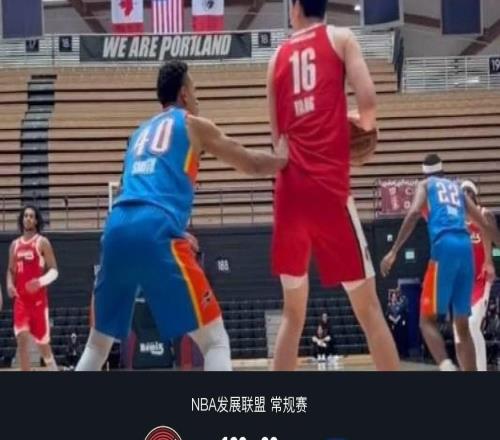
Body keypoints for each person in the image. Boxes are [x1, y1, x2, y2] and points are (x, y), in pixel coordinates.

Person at [76, 60, 288, 372]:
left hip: (117, 227)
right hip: (155, 230)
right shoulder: (192, 124)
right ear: (185, 94)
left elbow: (134, 188)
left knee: (97, 344)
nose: (197, 98)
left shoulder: (138, 134)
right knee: (215, 341)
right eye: (195, 90)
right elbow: (251, 163)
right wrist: (285, 160)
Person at [267, 0, 399, 371]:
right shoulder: (341, 38)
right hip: (327, 190)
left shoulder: (276, 58)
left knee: (292, 315)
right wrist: (360, 125)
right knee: (369, 309)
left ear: (295, 8)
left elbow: (278, 142)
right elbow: (368, 103)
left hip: (289, 194)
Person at [381, 154, 500, 371]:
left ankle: (446, 366)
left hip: (445, 247)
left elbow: (414, 213)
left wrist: (394, 250)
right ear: (443, 171)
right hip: (465, 251)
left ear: (425, 174)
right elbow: (483, 224)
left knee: (426, 321)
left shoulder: (426, 185)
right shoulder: (456, 189)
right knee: (462, 327)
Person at [6, 205, 59, 371]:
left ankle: (53, 368)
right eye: (25, 215)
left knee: (43, 345)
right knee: (22, 341)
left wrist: (40, 281)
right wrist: (9, 284)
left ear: (36, 221)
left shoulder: (42, 242)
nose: (28, 218)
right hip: (21, 302)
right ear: (22, 219)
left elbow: (54, 271)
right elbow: (10, 270)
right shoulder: (14, 245)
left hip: (38, 303)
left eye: (31, 216)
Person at [453, 180, 496, 371]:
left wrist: (488, 260)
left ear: (473, 195)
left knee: (472, 324)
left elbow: (487, 234)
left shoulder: (484, 213)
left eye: (467, 193)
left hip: (481, 278)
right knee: (459, 330)